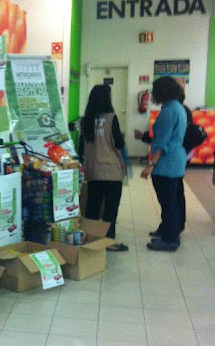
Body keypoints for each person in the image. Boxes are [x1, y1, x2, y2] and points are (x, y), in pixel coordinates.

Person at [135, 88, 192, 236]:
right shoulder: (178, 108)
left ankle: (170, 238)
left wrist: (150, 165)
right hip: (175, 161)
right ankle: (169, 231)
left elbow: (162, 142)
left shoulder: (170, 111)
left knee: (168, 202)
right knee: (171, 201)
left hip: (167, 163)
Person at [79, 84, 128, 251]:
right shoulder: (111, 118)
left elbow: (81, 148)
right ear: (106, 98)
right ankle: (109, 242)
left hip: (93, 170)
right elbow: (119, 143)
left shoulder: (85, 120)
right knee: (110, 209)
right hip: (111, 171)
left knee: (92, 207)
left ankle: (90, 239)